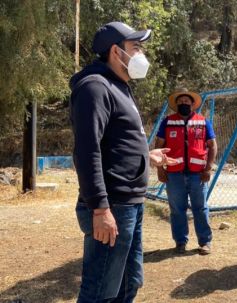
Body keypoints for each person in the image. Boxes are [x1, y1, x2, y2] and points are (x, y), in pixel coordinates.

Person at [69, 21, 161, 302]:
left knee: (129, 284)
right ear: (115, 51)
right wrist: (100, 209)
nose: (140, 54)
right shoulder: (94, 88)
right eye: (135, 47)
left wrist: (146, 156)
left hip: (130, 203)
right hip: (112, 205)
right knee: (100, 292)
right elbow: (87, 151)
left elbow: (116, 143)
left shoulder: (119, 86)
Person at [154, 88, 218, 255]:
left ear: (192, 104)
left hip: (198, 174)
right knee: (177, 210)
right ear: (176, 105)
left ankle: (205, 242)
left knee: (201, 208)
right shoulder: (167, 122)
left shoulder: (203, 122)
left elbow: (213, 146)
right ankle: (180, 242)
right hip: (174, 175)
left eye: (186, 101)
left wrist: (208, 168)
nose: (184, 103)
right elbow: (158, 147)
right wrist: (160, 169)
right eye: (180, 101)